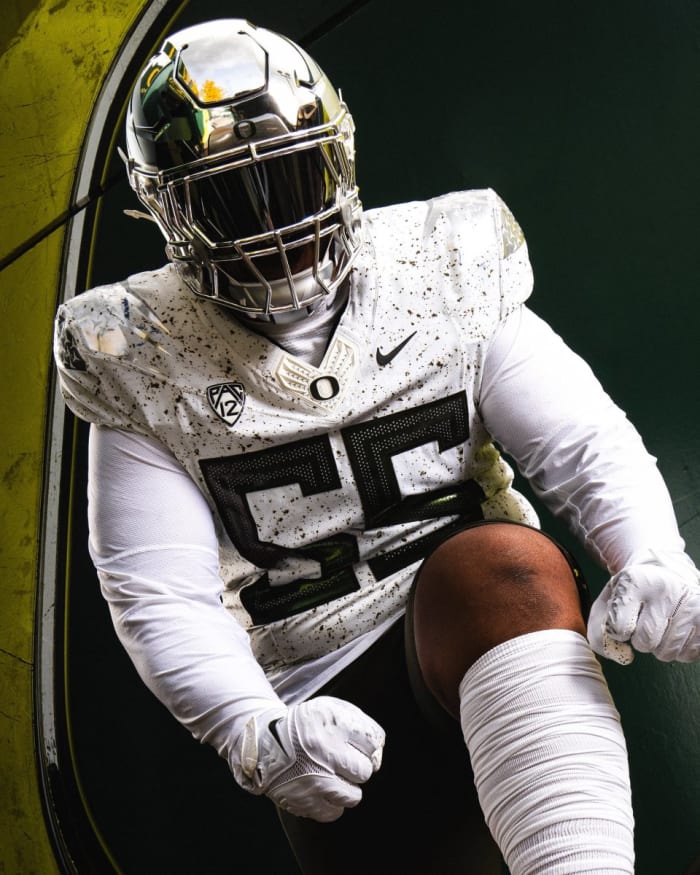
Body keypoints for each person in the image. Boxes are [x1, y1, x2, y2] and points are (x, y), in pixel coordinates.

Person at [53, 17, 700, 875]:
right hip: (319, 695)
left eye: (289, 177)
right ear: (169, 209)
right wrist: (255, 727)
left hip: (485, 626)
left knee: (503, 564)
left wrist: (649, 552)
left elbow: (581, 441)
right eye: (228, 197)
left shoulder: (442, 264)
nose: (272, 220)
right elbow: (158, 590)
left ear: (338, 156)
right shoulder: (135, 347)